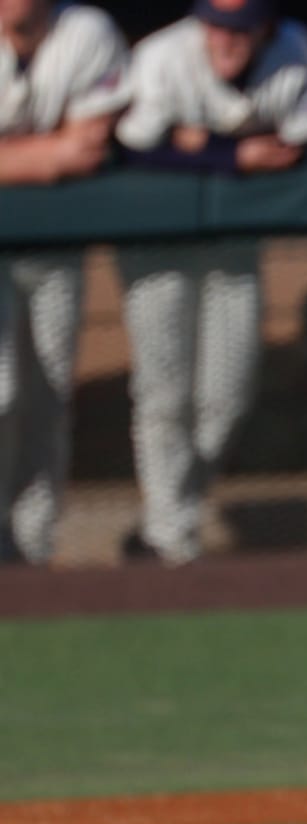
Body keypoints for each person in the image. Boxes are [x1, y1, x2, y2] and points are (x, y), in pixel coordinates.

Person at [114, 0, 307, 563]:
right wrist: (231, 154)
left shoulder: (293, 50)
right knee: (164, 394)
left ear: (264, 26)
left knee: (227, 397)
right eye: (215, 26)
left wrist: (194, 145)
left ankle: (166, 518)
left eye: (238, 29)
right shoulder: (161, 55)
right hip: (155, 242)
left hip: (235, 245)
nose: (225, 41)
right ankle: (170, 539)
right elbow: (131, 146)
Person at [0, 0, 130, 564]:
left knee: (46, 400)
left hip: (56, 246)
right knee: (0, 393)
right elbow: (64, 151)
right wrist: (49, 152)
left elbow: (87, 148)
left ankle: (32, 550)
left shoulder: (86, 30)